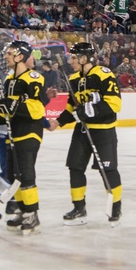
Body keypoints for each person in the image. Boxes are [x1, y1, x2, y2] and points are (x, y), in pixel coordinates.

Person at [49, 42, 124, 226]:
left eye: (74, 57)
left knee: (108, 170)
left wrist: (90, 110)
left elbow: (115, 104)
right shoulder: (74, 79)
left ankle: (115, 206)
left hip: (103, 131)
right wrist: (58, 121)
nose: (71, 61)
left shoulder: (103, 75)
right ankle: (79, 207)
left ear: (84, 59)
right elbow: (71, 108)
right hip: (82, 131)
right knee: (75, 167)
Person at [0, 40, 45, 236]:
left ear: (20, 56)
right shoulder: (8, 79)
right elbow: (4, 109)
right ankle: (23, 210)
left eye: (10, 53)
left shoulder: (33, 77)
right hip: (12, 130)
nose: (6, 56)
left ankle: (32, 214)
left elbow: (36, 109)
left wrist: (14, 106)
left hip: (29, 131)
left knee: (26, 173)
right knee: (16, 174)